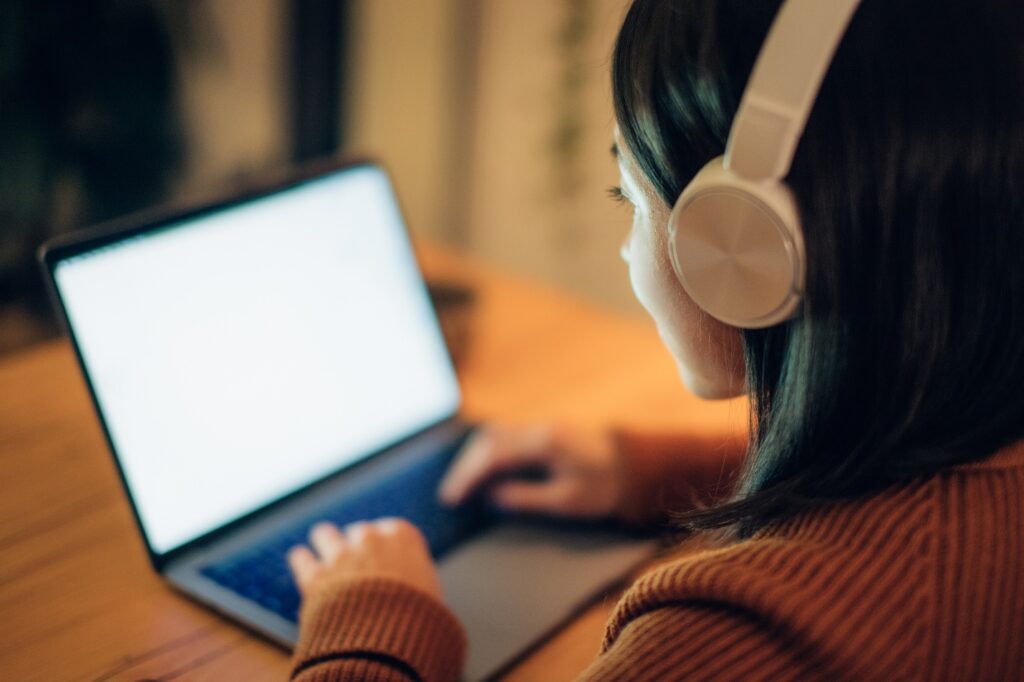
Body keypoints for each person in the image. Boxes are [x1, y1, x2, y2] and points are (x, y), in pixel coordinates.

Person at [285, 0, 1024, 679]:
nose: (625, 248)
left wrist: (373, 625)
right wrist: (646, 472)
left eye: (629, 199)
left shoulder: (730, 643)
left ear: (748, 248)